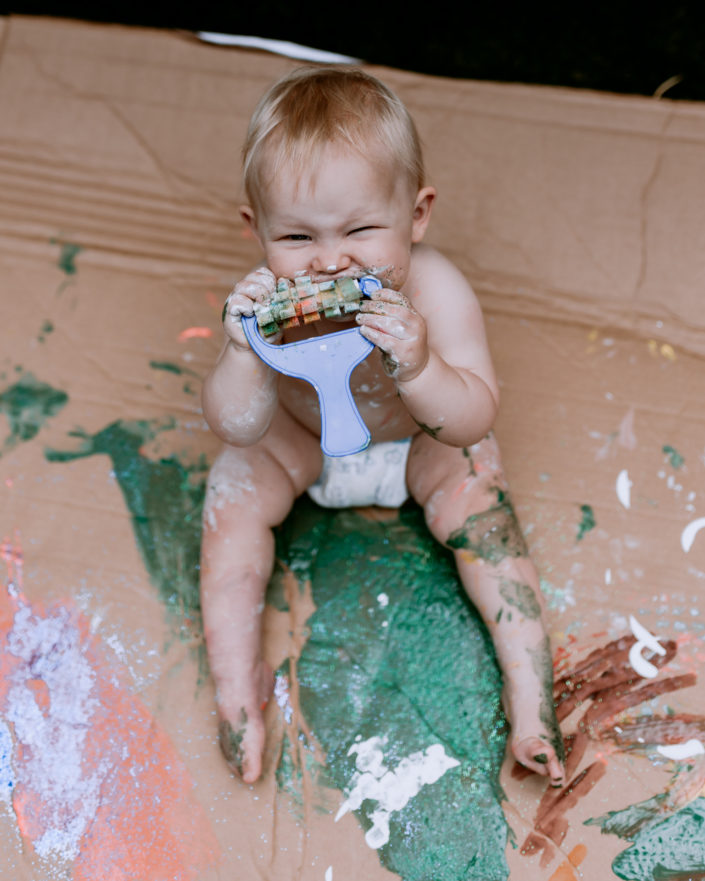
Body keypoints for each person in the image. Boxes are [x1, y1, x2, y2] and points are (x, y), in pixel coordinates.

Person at [200, 66, 565, 787]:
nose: (331, 260)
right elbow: (237, 424)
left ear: (417, 214)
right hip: (299, 440)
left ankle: (530, 701)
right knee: (230, 509)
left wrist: (420, 364)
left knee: (486, 522)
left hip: (415, 443)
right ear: (256, 229)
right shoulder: (268, 305)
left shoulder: (436, 289)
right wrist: (243, 353)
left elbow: (470, 417)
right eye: (297, 236)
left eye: (362, 230)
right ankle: (236, 695)